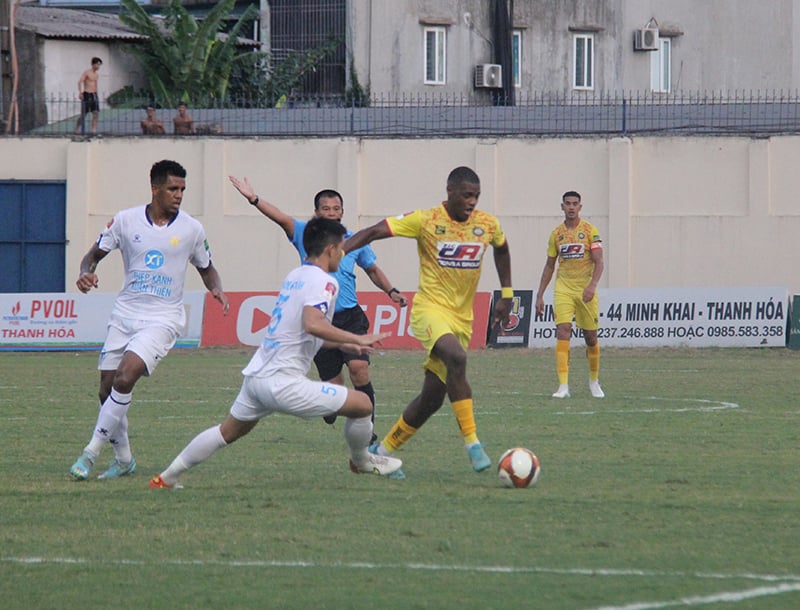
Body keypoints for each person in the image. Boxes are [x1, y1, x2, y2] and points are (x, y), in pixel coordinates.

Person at [149, 217, 403, 489]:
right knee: (363, 405)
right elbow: (313, 324)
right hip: (282, 382)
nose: (344, 253)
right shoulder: (325, 282)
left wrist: (344, 345)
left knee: (227, 431)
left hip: (257, 377)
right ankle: (362, 461)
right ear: (330, 249)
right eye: (342, 247)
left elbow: (300, 330)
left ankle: (166, 477)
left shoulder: (295, 276)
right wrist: (357, 337)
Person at [342, 166, 513, 479]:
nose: (472, 202)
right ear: (449, 193)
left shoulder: (487, 224)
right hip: (429, 310)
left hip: (462, 318)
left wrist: (507, 293)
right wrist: (339, 250)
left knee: (432, 399)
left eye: (476, 196)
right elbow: (374, 232)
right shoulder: (426, 220)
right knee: (457, 358)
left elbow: (502, 249)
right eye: (466, 195)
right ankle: (473, 444)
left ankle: (380, 454)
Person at [69, 160, 229, 481]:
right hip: (125, 314)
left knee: (125, 379)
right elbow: (93, 255)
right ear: (155, 188)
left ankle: (90, 453)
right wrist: (86, 273)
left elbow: (206, 266)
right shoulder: (125, 221)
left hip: (163, 318)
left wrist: (217, 289)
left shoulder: (191, 229)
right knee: (106, 390)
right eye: (173, 188)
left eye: (183, 189)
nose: (179, 195)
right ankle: (124, 459)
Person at [228, 176, 407, 440]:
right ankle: (334, 406)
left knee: (359, 369)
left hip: (350, 316)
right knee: (333, 388)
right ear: (317, 213)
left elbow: (372, 269)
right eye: (326, 209)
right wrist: (254, 199)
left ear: (342, 212)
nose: (332, 214)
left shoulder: (354, 240)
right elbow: (281, 218)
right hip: (321, 320)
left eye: (336, 209)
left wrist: (391, 291)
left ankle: (368, 434)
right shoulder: (305, 234)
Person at [534, 190, 605, 399]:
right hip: (563, 288)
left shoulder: (590, 231)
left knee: (590, 337)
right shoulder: (556, 234)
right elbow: (549, 265)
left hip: (585, 290)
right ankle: (563, 386)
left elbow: (599, 261)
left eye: (575, 204)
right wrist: (540, 295)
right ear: (562, 207)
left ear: (580, 207)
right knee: (563, 331)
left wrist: (592, 286)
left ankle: (594, 381)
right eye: (568, 204)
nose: (571, 207)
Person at [74, 57, 102, 134]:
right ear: (93, 64)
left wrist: (97, 94)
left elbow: (96, 85)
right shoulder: (87, 72)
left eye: (99, 65)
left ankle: (94, 130)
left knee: (96, 113)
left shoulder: (96, 75)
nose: (98, 67)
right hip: (87, 93)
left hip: (94, 94)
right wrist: (80, 92)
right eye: (97, 64)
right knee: (84, 114)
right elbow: (80, 82)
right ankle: (77, 128)